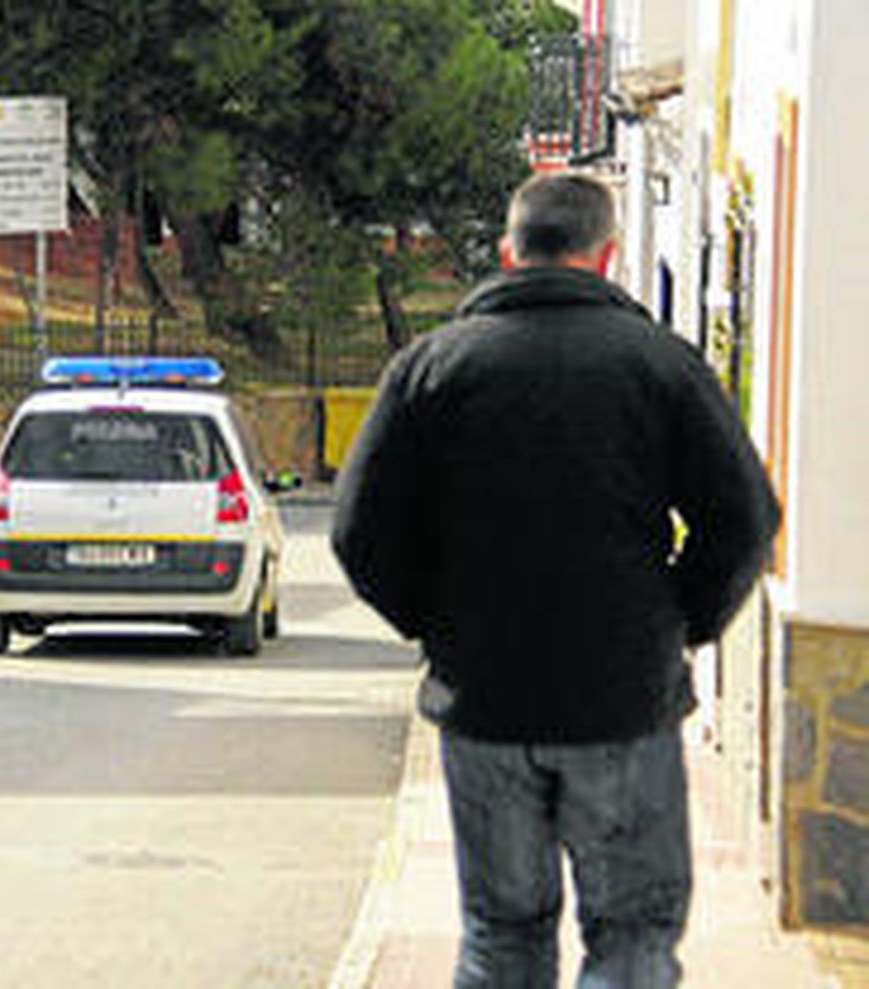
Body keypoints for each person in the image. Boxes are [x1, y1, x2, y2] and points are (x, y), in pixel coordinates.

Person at [329, 172, 780, 988]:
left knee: (500, 935)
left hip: (484, 699)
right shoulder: (660, 366)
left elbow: (359, 530)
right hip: (623, 699)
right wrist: (679, 621)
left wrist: (438, 622)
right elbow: (745, 517)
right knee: (633, 937)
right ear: (605, 258)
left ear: (508, 252)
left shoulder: (431, 368)